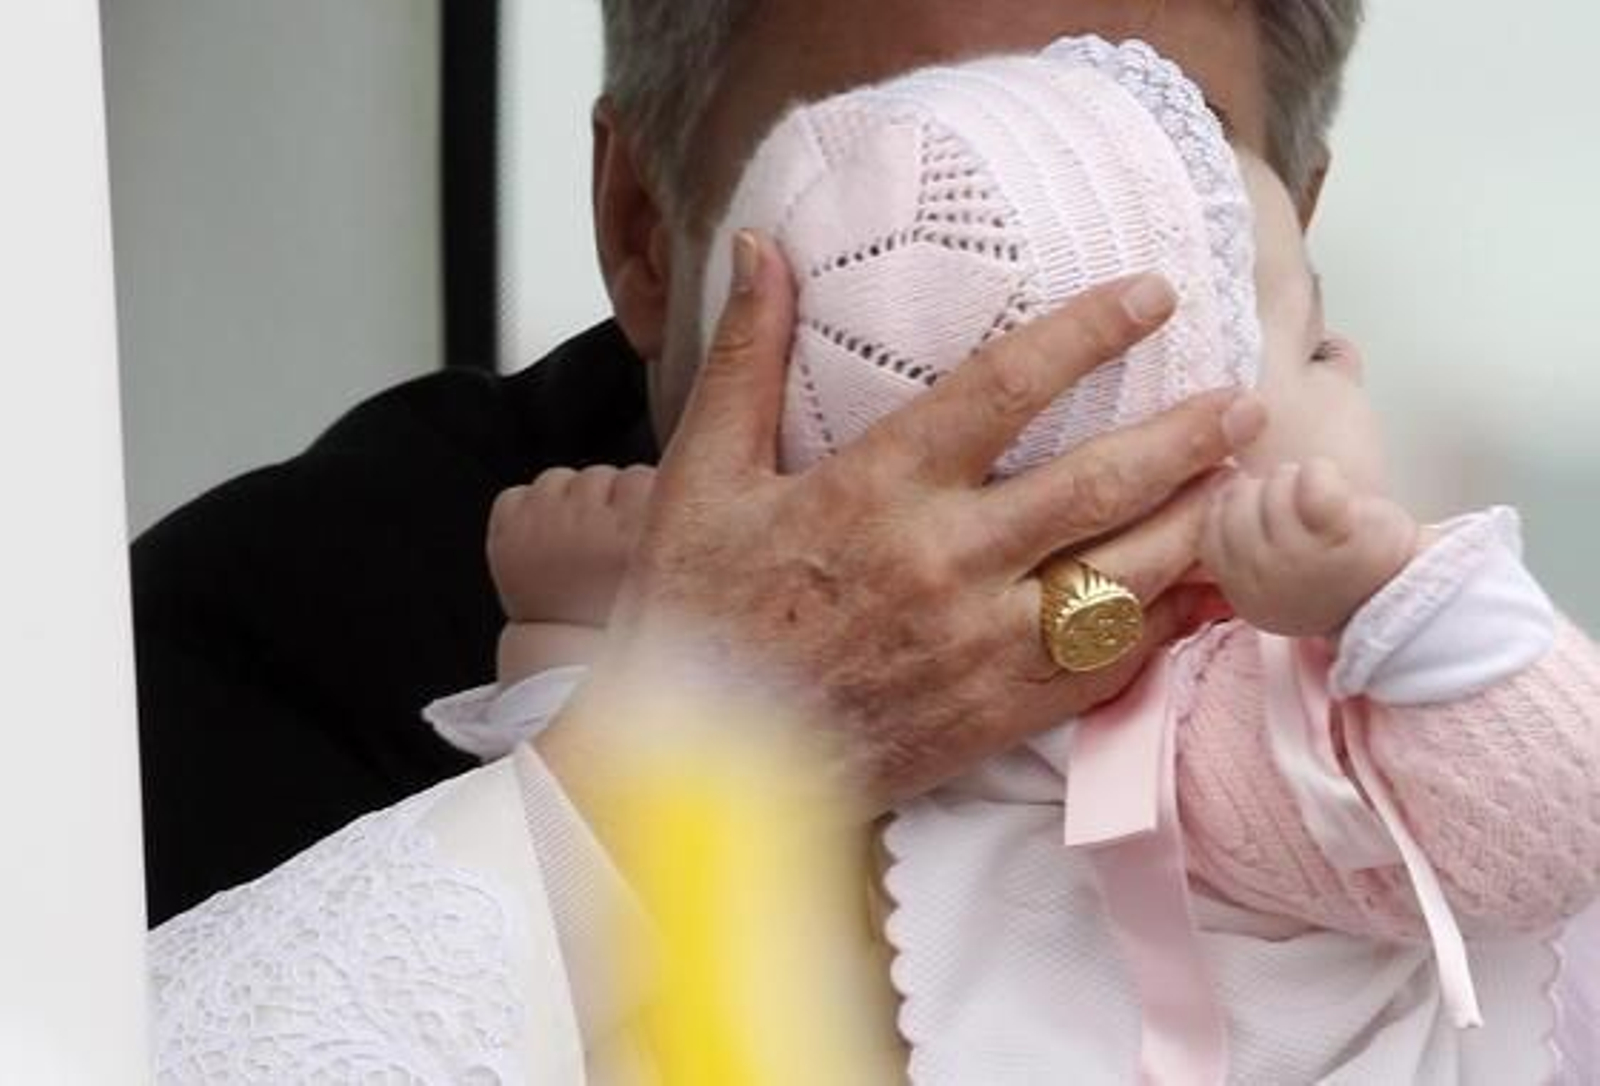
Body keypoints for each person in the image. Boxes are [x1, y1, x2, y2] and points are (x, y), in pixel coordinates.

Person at [462, 40, 1600, 1082]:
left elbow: (573, 923)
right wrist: (1401, 606)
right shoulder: (1222, 723)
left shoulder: (832, 716)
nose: (1348, 361)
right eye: (1305, 349)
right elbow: (1545, 821)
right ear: (1154, 470)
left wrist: (574, 628)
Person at [133, 0, 1363, 926]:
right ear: (644, 230)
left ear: (1279, 236)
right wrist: (665, 773)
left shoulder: (1362, 625)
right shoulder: (258, 639)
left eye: (1137, 183)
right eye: (915, 187)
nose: (1024, 306)